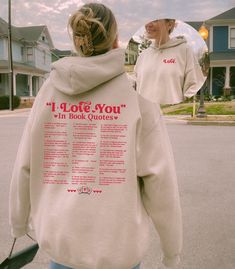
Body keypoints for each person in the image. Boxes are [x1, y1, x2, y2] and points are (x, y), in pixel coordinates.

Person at [9, 3, 182, 269]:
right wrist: (172, 251)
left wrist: (19, 223)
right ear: (115, 39)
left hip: (63, 247)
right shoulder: (138, 95)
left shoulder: (48, 92)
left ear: (78, 41)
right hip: (119, 251)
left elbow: (25, 165)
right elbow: (161, 180)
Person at [134, 19, 205, 105]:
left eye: (155, 20)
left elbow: (194, 85)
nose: (148, 24)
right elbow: (135, 86)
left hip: (171, 116)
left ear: (170, 24)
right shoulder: (143, 55)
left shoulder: (184, 50)